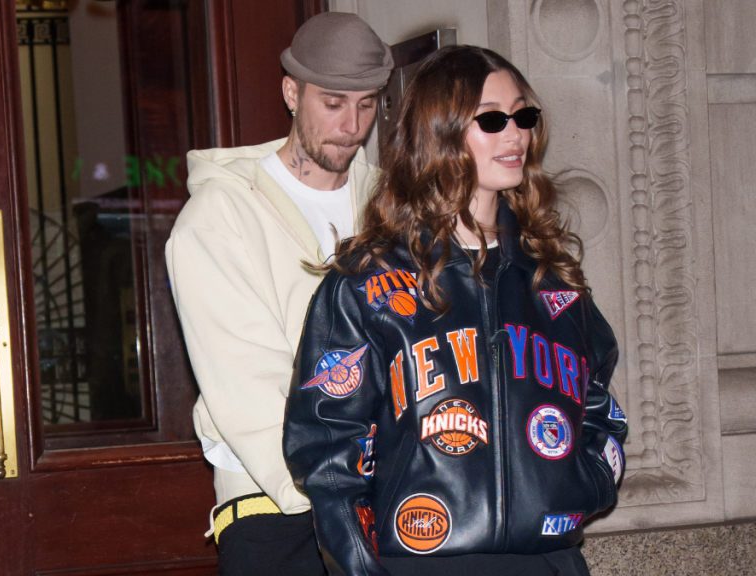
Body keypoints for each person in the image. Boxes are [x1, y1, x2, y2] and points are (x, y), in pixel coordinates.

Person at [283, 45, 628, 576]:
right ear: (439, 132)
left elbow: (600, 408)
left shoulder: (550, 279)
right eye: (492, 119)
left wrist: (583, 483)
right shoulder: (364, 284)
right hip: (422, 565)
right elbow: (327, 452)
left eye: (524, 116)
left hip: (549, 561)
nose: (516, 134)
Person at [164, 12, 393, 576]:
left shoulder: (392, 205)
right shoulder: (219, 216)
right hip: (277, 503)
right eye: (333, 103)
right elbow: (244, 382)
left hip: (393, 498)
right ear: (292, 92)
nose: (351, 124)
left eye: (367, 104)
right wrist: (335, 494)